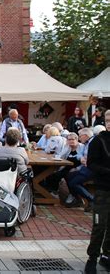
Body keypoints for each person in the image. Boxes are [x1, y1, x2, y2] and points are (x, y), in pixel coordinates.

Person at [84, 110, 110, 274]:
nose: (109, 122)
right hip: (103, 189)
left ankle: (107, 256)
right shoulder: (98, 141)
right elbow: (91, 164)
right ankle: (92, 258)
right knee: (99, 225)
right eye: (107, 119)